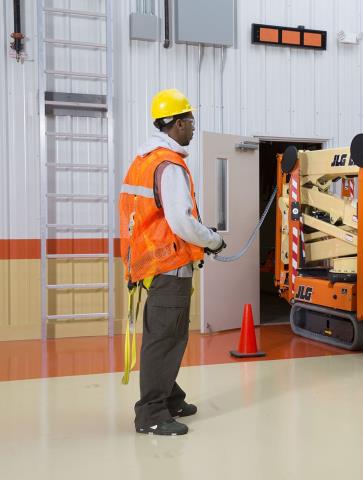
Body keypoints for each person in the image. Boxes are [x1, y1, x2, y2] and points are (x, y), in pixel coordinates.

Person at [119, 88, 225, 435]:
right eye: (190, 121)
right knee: (165, 339)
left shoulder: (144, 161)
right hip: (169, 266)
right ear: (177, 123)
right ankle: (151, 414)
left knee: (169, 334)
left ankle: (171, 399)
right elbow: (181, 222)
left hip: (151, 264)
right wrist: (212, 240)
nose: (193, 127)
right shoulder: (170, 166)